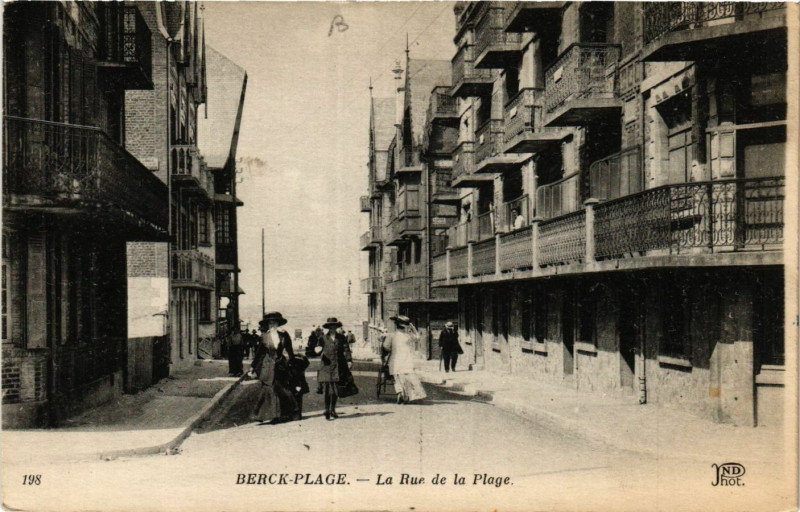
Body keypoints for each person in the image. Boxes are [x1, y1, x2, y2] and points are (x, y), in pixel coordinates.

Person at [248, 311, 297, 424]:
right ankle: (267, 415)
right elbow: (259, 354)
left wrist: (292, 362)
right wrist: (253, 367)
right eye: (270, 323)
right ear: (268, 324)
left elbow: (290, 350)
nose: (273, 325)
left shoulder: (284, 335)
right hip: (268, 366)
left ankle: (282, 414)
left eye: (275, 322)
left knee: (280, 389)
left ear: (278, 324)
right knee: (269, 390)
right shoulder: (264, 337)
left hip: (280, 365)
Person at [382, 315, 427, 404]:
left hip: (395, 361)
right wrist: (412, 328)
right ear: (406, 327)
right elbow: (417, 337)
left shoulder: (392, 335)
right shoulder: (408, 336)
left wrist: (392, 349)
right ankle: (407, 395)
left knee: (397, 378)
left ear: (396, 325)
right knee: (407, 378)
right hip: (407, 360)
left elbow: (385, 346)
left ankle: (399, 392)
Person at [315, 317, 352, 420]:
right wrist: (317, 350)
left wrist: (349, 360)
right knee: (327, 389)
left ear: (336, 327)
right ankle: (327, 409)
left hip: (339, 365)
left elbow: (347, 349)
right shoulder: (323, 338)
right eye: (330, 327)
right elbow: (317, 348)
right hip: (326, 366)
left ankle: (333, 409)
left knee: (335, 389)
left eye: (334, 326)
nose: (332, 328)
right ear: (328, 328)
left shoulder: (341, 337)